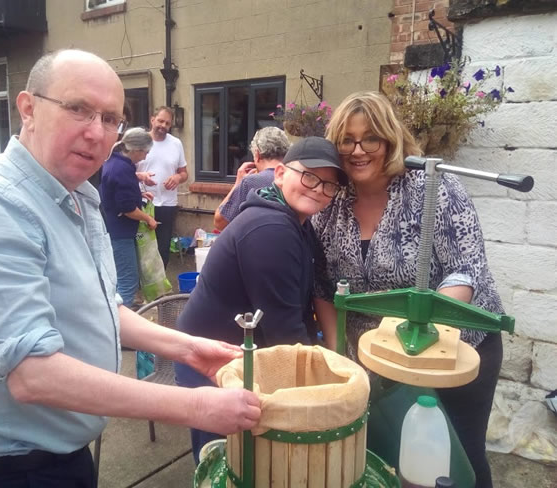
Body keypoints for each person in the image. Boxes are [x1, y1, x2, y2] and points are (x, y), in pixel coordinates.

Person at [0, 49, 260, 488]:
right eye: (78, 109)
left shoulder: (78, 193)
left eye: (110, 118)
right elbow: (33, 373)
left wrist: (188, 348)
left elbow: (103, 306)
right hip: (0, 469)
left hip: (61, 457)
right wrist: (195, 407)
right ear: (29, 109)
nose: (96, 132)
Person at [312, 91, 504, 488]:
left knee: (456, 459)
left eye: (371, 139)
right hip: (374, 358)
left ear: (390, 140)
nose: (358, 150)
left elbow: (465, 270)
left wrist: (415, 341)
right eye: (347, 140)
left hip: (454, 350)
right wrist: (340, 356)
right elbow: (323, 287)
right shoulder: (331, 203)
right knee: (392, 457)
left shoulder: (434, 189)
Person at [176, 136, 345, 460]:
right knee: (225, 463)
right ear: (280, 173)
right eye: (309, 176)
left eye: (329, 186)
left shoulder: (295, 222)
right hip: (212, 364)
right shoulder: (271, 227)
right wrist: (317, 390)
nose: (319, 189)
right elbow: (284, 327)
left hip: (233, 357)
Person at [99, 127, 157, 308]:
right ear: (136, 150)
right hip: (120, 232)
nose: (146, 157)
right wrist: (148, 219)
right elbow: (127, 208)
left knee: (119, 278)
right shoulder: (121, 169)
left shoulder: (116, 162)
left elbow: (119, 191)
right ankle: (122, 325)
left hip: (113, 228)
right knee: (127, 280)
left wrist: (139, 194)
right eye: (145, 152)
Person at [137, 106, 187, 268]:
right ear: (152, 120)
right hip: (142, 202)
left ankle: (160, 288)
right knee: (142, 246)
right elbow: (124, 171)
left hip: (167, 203)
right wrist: (141, 177)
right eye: (160, 121)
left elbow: (184, 173)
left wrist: (177, 177)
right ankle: (140, 285)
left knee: (163, 247)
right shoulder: (140, 141)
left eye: (167, 123)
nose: (163, 125)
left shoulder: (176, 143)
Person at [213, 126, 290, 231]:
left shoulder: (250, 183)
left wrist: (237, 184)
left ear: (257, 154)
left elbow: (220, 222)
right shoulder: (296, 180)